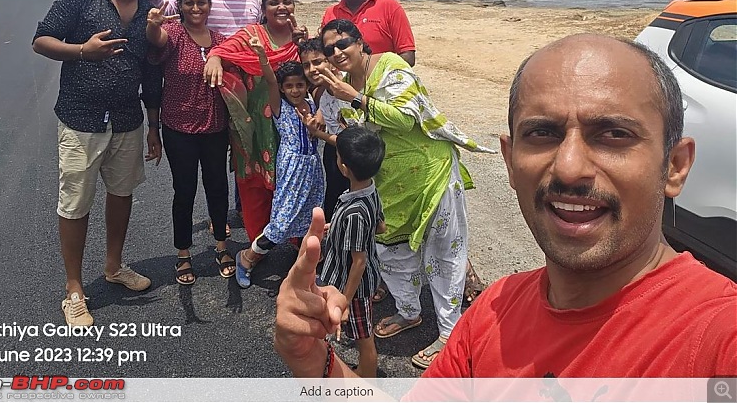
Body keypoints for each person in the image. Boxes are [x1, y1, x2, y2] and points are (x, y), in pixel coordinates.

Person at [274, 34, 737, 379]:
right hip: (400, 194)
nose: (570, 167)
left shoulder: (717, 335)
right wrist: (315, 361)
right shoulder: (493, 312)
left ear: (675, 166)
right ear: (511, 161)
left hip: (431, 183)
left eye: (613, 134)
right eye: (543, 133)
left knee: (445, 261)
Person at [319, 19, 493, 369]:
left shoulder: (390, 67)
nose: (338, 53)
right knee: (393, 254)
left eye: (343, 44)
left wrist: (355, 97)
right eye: (330, 49)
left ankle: (449, 332)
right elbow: (357, 139)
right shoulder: (338, 87)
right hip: (391, 186)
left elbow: (404, 120)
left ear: (360, 42)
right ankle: (410, 311)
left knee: (444, 257)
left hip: (432, 176)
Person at [32, 0, 162, 327]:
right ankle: (74, 288)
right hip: (81, 118)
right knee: (75, 203)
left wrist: (154, 126)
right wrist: (81, 51)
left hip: (127, 120)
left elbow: (152, 68)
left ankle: (114, 266)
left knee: (121, 194)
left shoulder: (148, 11)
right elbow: (41, 40)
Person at [145, 0, 262, 230]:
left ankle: (239, 213)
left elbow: (260, 36)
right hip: (203, 95)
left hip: (244, 93)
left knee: (245, 157)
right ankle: (221, 219)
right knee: (205, 176)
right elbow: (160, 12)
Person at [202, 0, 307, 249]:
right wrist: (214, 58)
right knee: (254, 187)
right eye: (274, 3)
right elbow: (225, 50)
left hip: (291, 125)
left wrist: (303, 46)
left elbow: (315, 71)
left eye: (287, 2)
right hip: (255, 126)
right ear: (263, 8)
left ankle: (296, 239)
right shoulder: (252, 35)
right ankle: (257, 245)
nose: (281, 7)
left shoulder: (300, 38)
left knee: (294, 180)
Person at [145, 0, 233, 284]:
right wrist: (153, 23)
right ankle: (183, 254)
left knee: (218, 187)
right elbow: (155, 39)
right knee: (184, 191)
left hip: (215, 127)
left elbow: (236, 61)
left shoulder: (220, 39)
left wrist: (219, 56)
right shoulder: (173, 34)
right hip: (178, 126)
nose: (196, 7)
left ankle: (222, 247)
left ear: (210, 5)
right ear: (180, 6)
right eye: (189, 2)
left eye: (201, 2)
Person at [233, 43, 324, 288]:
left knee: (310, 219)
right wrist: (263, 58)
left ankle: (306, 268)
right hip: (292, 169)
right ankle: (247, 258)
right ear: (283, 89)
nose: (295, 90)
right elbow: (270, 81)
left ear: (306, 85)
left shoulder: (313, 103)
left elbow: (325, 79)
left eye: (299, 84)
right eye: (289, 86)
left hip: (313, 170)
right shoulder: (280, 107)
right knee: (280, 224)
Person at [319, 126, 386, 378]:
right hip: (356, 281)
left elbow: (358, 262)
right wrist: (337, 226)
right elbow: (381, 226)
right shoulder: (369, 191)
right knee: (360, 332)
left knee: (363, 336)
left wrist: (344, 301)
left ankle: (366, 382)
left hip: (354, 287)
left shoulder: (355, 211)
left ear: (344, 168)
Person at [297, 37, 351, 221]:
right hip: (335, 152)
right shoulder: (321, 93)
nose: (312, 69)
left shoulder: (348, 86)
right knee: (334, 198)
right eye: (306, 65)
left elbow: (350, 141)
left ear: (330, 60)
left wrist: (317, 133)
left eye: (318, 62)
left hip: (355, 156)